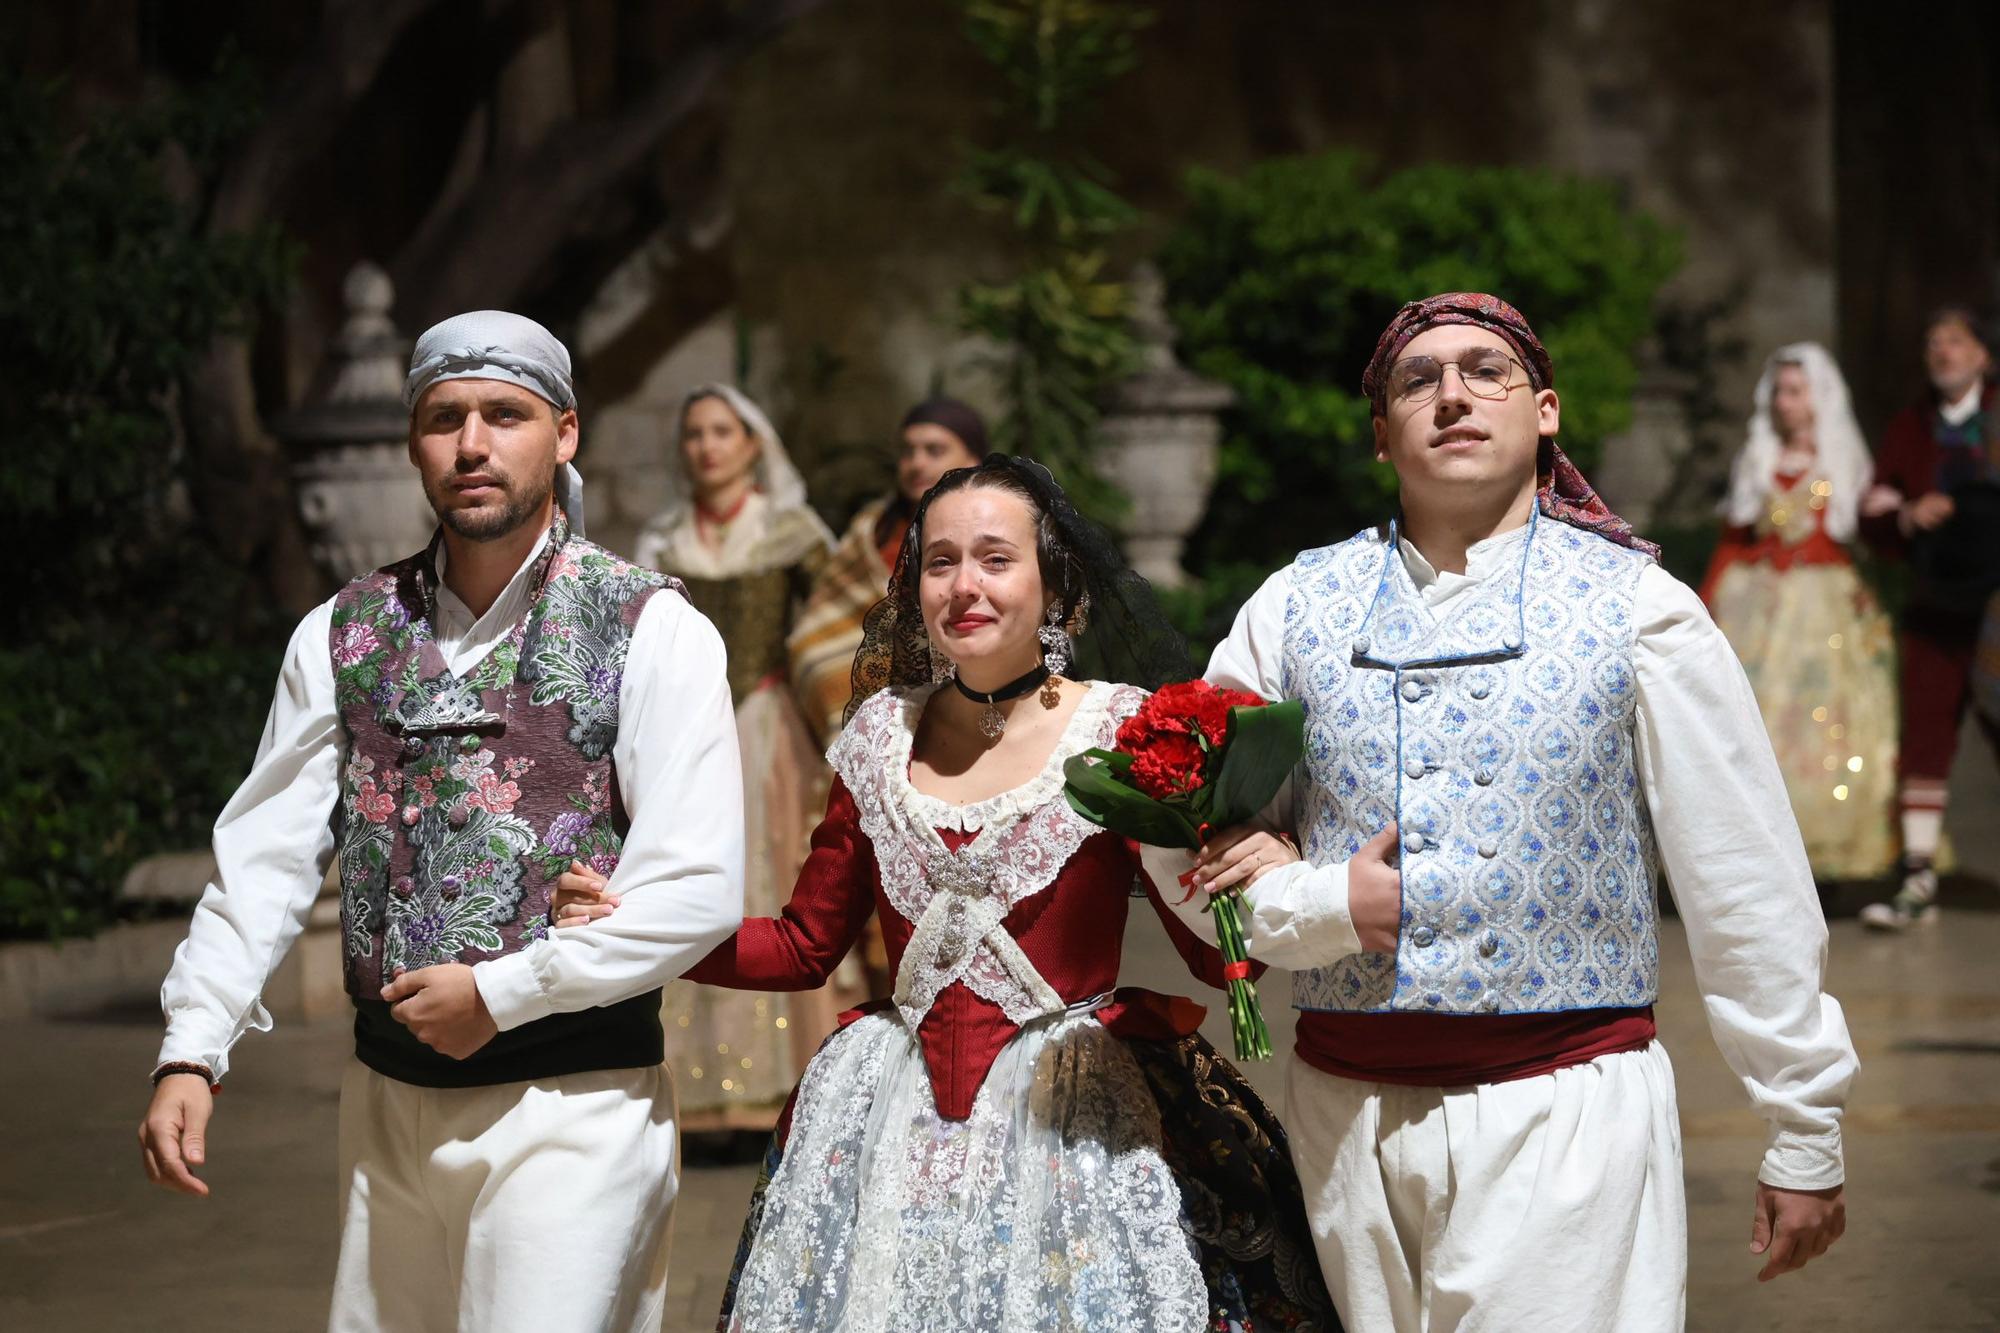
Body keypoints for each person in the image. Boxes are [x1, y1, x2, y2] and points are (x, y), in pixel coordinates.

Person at [1155, 294, 1857, 1331]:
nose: (1450, 395)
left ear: (1544, 411)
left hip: (1565, 1112)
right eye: (1415, 379)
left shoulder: (1638, 609)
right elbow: (1176, 835)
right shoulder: (1292, 608)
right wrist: (1317, 902)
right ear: (1380, 435)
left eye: (1483, 371)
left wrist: (1803, 1121)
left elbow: (1740, 872)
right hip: (1343, 1119)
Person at [557, 455, 1335, 1332]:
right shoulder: (878, 738)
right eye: (940, 561)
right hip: (888, 1119)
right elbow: (805, 946)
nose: (965, 585)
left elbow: (1212, 955)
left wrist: (1243, 849)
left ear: (1056, 586)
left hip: (1073, 1122)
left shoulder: (1121, 730)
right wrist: (645, 925)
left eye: (996, 559)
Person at [137, 311, 746, 1333]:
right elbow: (265, 859)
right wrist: (192, 1046)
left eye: (503, 414)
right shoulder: (344, 631)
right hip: (386, 1105)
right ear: (412, 442)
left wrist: (504, 991)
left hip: (572, 1101)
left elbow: (696, 887)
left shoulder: (648, 626)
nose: (472, 444)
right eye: (443, 418)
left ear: (563, 433)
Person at [633, 384, 846, 1133]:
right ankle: (701, 1089)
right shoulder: (661, 542)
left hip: (767, 729)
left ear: (753, 443)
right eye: (694, 433)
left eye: (722, 431)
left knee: (768, 882)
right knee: (694, 874)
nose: (707, 446)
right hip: (689, 733)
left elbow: (838, 624)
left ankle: (787, 1088)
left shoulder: (791, 532)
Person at [1698, 343, 1897, 880]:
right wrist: (1710, 600)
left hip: (1822, 607)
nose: (1785, 403)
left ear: (1818, 398)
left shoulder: (1842, 459)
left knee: (1824, 721)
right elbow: (1735, 536)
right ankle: (1755, 852)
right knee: (1756, 720)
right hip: (1757, 607)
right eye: (1779, 392)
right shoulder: (1758, 459)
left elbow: (1860, 531)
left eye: (1795, 392)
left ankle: (1823, 849)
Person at [1856, 307, 2000, 929]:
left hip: (1996, 607)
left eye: (1954, 341)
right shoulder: (1913, 427)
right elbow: (1875, 504)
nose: (1941, 352)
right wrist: (1912, 513)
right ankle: (1918, 877)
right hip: (1936, 604)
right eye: (1932, 341)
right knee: (1926, 736)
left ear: (1981, 356)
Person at [788, 397, 989, 747]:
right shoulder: (872, 528)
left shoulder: (996, 526)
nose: (917, 463)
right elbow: (821, 623)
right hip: (866, 696)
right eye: (908, 452)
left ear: (972, 459)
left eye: (934, 450)